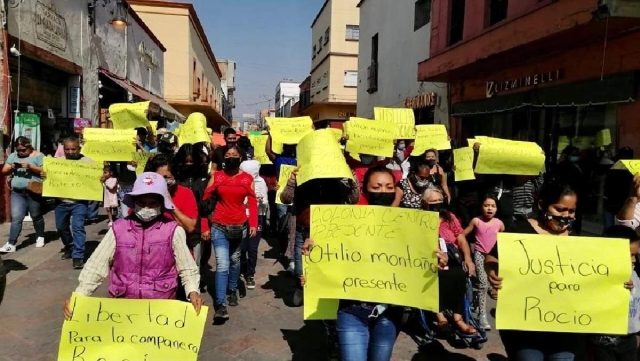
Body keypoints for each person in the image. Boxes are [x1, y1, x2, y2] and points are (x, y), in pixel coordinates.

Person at [301, 166, 448, 360]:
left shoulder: (413, 224)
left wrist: (438, 262)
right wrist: (312, 256)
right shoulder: (344, 222)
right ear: (365, 189)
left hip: (390, 313)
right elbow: (329, 257)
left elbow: (426, 264)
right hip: (351, 310)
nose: (383, 191)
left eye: (388, 186)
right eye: (377, 187)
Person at [485, 180, 634, 360]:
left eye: (571, 211)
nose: (566, 215)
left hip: (566, 330)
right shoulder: (518, 231)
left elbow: (594, 277)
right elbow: (492, 257)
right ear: (542, 205)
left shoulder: (576, 238)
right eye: (560, 209)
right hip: (525, 327)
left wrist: (618, 282)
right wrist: (493, 271)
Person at [62, 172, 203, 318]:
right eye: (142, 203)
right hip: (122, 311)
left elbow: (187, 268)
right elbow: (96, 265)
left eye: (153, 203)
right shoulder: (118, 229)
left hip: (160, 311)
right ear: (134, 202)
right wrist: (80, 294)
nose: (147, 208)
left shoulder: (173, 230)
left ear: (161, 204)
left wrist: (193, 291)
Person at [280, 169, 360, 307]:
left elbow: (353, 199)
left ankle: (323, 296)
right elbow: (285, 198)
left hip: (328, 233)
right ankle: (300, 289)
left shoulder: (337, 184)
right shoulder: (302, 181)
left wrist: (353, 181)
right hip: (302, 231)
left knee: (326, 266)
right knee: (300, 269)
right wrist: (292, 181)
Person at [204, 144, 258, 321]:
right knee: (222, 264)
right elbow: (205, 202)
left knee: (235, 260)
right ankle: (220, 304)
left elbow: (252, 202)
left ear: (241, 157)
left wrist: (253, 224)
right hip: (219, 225)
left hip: (239, 225)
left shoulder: (247, 179)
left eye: (235, 154)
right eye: (228, 154)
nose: (232, 156)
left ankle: (232, 289)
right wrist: (205, 225)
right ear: (223, 158)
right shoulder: (216, 176)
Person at [422, 185, 477, 335]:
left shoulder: (449, 217)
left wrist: (468, 258)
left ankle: (458, 318)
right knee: (439, 277)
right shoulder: (419, 220)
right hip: (430, 262)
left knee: (460, 274)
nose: (438, 203)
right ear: (425, 203)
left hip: (453, 259)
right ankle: (440, 317)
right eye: (434, 201)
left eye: (440, 200)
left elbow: (461, 239)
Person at [589, 225, 640, 361]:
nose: (633, 260)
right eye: (629, 255)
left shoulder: (634, 273)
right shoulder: (594, 274)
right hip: (602, 341)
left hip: (628, 341)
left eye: (635, 255)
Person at [48, 137, 94, 269]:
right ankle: (69, 246)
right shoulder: (57, 163)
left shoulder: (88, 162)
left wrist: (101, 177)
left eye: (73, 149)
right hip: (61, 202)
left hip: (79, 203)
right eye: (67, 149)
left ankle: (78, 256)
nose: (70, 151)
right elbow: (49, 177)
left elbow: (96, 179)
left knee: (78, 228)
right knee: (61, 227)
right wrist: (45, 175)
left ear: (79, 149)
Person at [172, 143, 214, 285]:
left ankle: (193, 286)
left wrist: (204, 225)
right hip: (175, 225)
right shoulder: (174, 179)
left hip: (196, 227)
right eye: (186, 161)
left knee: (196, 259)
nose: (188, 164)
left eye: (191, 161)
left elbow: (206, 204)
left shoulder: (203, 179)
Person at [463, 194, 504, 330]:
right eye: (486, 205)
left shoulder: (499, 223)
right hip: (480, 255)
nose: (489, 208)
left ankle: (476, 302)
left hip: (493, 257)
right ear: (481, 207)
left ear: (497, 208)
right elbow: (463, 234)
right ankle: (482, 316)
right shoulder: (476, 221)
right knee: (483, 284)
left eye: (493, 206)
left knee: (495, 284)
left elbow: (505, 239)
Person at [0, 137, 45, 253]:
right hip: (17, 192)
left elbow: (45, 171)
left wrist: (30, 167)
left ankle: (40, 236)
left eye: (23, 150)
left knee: (36, 215)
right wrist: (12, 167)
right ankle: (11, 243)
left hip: (33, 192)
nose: (21, 152)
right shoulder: (14, 156)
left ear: (29, 147)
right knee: (17, 217)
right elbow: (4, 171)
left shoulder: (39, 156)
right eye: (18, 150)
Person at [145, 154, 198, 235]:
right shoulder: (145, 192)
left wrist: (171, 206)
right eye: (159, 178)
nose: (163, 181)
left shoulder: (186, 193)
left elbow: (190, 227)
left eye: (167, 177)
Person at [240, 160, 268, 291]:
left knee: (252, 248)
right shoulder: (238, 181)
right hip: (241, 218)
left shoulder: (261, 182)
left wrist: (260, 201)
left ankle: (250, 274)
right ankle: (242, 267)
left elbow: (265, 203)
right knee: (242, 247)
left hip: (257, 218)